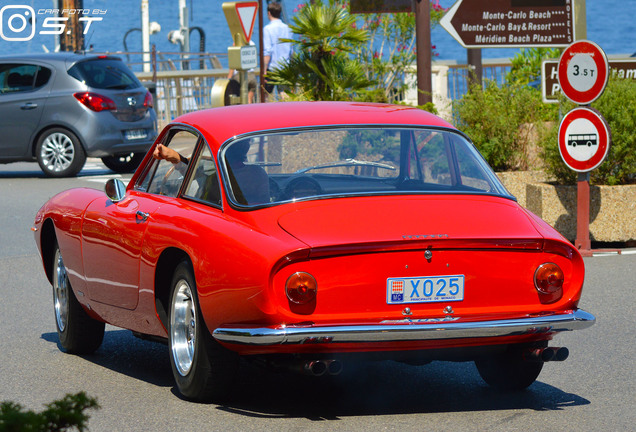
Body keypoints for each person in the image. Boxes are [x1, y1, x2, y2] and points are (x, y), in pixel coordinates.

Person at [262, 2, 292, 100]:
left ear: (269, 13)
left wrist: (264, 70)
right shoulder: (287, 28)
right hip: (285, 66)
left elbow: (267, 51)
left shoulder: (267, 29)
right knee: (285, 95)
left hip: (273, 67)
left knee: (265, 95)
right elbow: (291, 51)